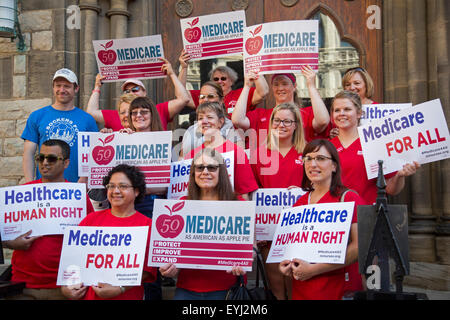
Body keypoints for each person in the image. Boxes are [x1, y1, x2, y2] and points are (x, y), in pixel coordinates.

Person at [329, 90, 420, 295]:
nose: (341, 113)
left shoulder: (374, 144)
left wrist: (400, 175)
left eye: (347, 109)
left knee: (373, 283)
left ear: (359, 113)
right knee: (339, 282)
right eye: (337, 110)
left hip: (368, 222)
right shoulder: (328, 147)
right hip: (334, 224)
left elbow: (390, 188)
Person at [3, 139, 94, 300]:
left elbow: (91, 238)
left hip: (64, 287)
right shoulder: (21, 193)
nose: (45, 163)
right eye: (40, 158)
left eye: (51, 158)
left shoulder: (78, 197)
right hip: (23, 286)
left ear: (66, 163)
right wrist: (10, 243)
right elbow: (3, 233)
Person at [279, 139, 364, 300]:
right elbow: (293, 250)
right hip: (302, 291)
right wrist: (287, 266)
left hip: (338, 290)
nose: (313, 164)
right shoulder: (299, 204)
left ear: (334, 166)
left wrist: (314, 270)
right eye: (308, 159)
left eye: (320, 158)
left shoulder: (348, 198)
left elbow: (358, 247)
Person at [159, 149, 247, 299]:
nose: (205, 172)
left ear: (222, 172)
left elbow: (252, 249)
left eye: (212, 167)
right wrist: (169, 267)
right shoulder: (181, 205)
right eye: (199, 168)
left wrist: (243, 260)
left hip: (227, 289)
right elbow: (173, 251)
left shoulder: (239, 205)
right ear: (193, 173)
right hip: (187, 288)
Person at [61, 164, 157, 300]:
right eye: (111, 186)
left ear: (136, 191)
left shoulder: (148, 225)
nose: (115, 191)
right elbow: (73, 261)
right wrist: (66, 287)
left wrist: (120, 288)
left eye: (123, 186)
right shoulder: (90, 220)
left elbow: (147, 271)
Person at [250, 102, 306, 300]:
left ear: (296, 125)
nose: (281, 125)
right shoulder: (258, 154)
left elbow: (318, 187)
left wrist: (304, 191)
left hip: (299, 229)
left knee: (296, 280)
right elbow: (251, 192)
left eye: (287, 121)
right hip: (269, 229)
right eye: (277, 120)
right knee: (275, 282)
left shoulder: (306, 152)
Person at [21, 68, 98, 183]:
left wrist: (85, 180)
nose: (61, 90)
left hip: (76, 186)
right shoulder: (37, 116)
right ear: (53, 87)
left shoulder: (87, 119)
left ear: (76, 88)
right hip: (44, 186)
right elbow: (28, 153)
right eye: (58, 86)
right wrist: (29, 183)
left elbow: (94, 154)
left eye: (66, 86)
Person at [231, 67, 330, 149]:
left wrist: (311, 86)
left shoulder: (306, 113)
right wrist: (247, 86)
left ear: (294, 86)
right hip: (268, 168)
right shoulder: (261, 114)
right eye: (276, 84)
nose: (280, 88)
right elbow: (237, 120)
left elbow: (323, 121)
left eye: (284, 83)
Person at [86, 58, 190, 131]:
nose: (131, 93)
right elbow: (91, 112)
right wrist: (97, 87)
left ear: (144, 92)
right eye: (127, 91)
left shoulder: (159, 109)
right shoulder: (119, 115)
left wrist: (171, 74)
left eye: (135, 89)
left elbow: (184, 99)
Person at [183, 102, 258, 200]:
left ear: (221, 122)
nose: (204, 121)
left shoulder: (236, 152)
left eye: (209, 117)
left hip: (227, 210)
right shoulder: (191, 155)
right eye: (200, 118)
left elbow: (244, 193)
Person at [178, 50, 269, 117]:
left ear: (232, 81)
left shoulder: (242, 93)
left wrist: (252, 62)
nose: (219, 81)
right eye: (216, 79)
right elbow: (181, 95)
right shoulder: (205, 95)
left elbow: (263, 92)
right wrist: (184, 68)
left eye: (223, 78)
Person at [180, 81, 243, 157]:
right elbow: (181, 161)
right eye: (202, 97)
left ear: (221, 100)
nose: (205, 100)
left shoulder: (231, 127)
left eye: (210, 96)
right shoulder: (190, 130)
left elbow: (239, 158)